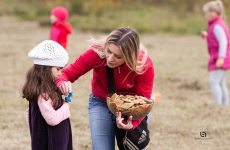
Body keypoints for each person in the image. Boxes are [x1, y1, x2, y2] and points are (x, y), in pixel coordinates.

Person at [56, 27, 154, 150]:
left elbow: (143, 99)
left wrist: (132, 124)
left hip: (133, 109)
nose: (110, 59)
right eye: (109, 51)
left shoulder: (143, 64)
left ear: (130, 56)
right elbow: (66, 74)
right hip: (101, 102)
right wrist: (62, 82)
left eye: (118, 56)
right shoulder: (96, 53)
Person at [22, 40, 72, 150]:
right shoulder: (43, 95)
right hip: (53, 143)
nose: (60, 73)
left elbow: (30, 115)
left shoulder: (42, 90)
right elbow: (52, 119)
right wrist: (66, 107)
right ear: (45, 70)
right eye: (58, 69)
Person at [201, 0, 230, 106]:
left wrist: (221, 58)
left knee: (214, 81)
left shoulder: (217, 26)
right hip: (221, 57)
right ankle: (224, 105)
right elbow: (217, 39)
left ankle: (219, 106)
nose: (205, 16)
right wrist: (207, 35)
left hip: (220, 58)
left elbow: (224, 41)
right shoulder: (216, 25)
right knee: (221, 83)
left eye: (206, 13)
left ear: (212, 13)